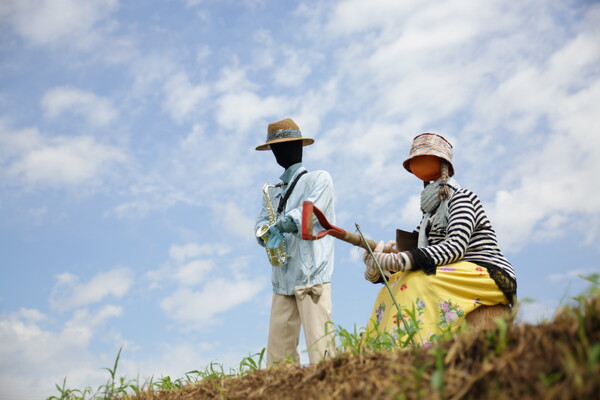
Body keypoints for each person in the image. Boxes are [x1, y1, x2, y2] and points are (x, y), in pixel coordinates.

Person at [363, 132, 517, 346]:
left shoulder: (462, 198)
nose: (417, 164)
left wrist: (400, 260)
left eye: (423, 158)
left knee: (416, 283)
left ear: (443, 165)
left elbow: (454, 248)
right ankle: (381, 352)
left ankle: (419, 347)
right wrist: (379, 267)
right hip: (450, 271)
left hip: (482, 270)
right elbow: (414, 256)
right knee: (391, 288)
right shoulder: (427, 217)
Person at [255, 118, 336, 366]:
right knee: (277, 359)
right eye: (275, 149)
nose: (280, 153)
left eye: (286, 146)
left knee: (321, 347)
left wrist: (281, 224)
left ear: (299, 147)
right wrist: (264, 232)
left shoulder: (319, 178)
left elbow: (310, 213)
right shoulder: (273, 190)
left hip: (310, 274)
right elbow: (259, 223)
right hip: (282, 277)